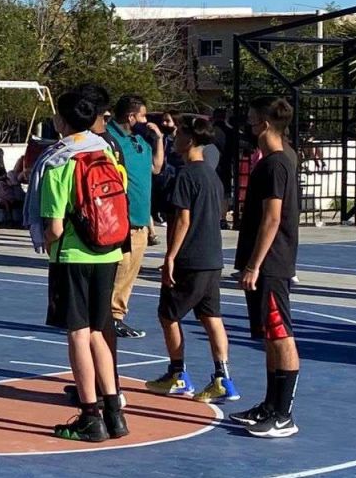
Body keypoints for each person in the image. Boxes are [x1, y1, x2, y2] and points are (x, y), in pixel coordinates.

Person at [41, 89, 128, 443]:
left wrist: (47, 243)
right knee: (98, 331)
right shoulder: (107, 153)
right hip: (109, 252)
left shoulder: (59, 162)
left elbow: (55, 226)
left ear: (61, 121)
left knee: (77, 332)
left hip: (74, 256)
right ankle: (114, 409)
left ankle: (89, 415)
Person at [145, 115, 239, 404]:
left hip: (191, 258)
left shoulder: (186, 175)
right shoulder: (212, 174)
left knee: (168, 314)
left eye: (180, 134)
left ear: (191, 140)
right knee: (212, 316)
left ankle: (177, 373)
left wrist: (171, 256)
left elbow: (182, 220)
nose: (175, 139)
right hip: (212, 257)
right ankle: (223, 377)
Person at [230, 96, 302, 438]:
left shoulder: (276, 163)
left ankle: (284, 414)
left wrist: (254, 265)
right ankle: (271, 405)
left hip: (272, 264)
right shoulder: (280, 157)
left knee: (280, 334)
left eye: (251, 119)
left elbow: (272, 219)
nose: (247, 125)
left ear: (266, 124)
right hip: (269, 263)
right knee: (270, 338)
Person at [105, 95, 164, 339]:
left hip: (140, 220)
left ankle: (117, 315)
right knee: (119, 269)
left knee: (130, 272)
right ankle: (110, 316)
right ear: (131, 117)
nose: (146, 121)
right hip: (120, 219)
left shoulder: (140, 141)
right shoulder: (109, 139)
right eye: (142, 116)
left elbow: (156, 168)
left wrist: (159, 139)